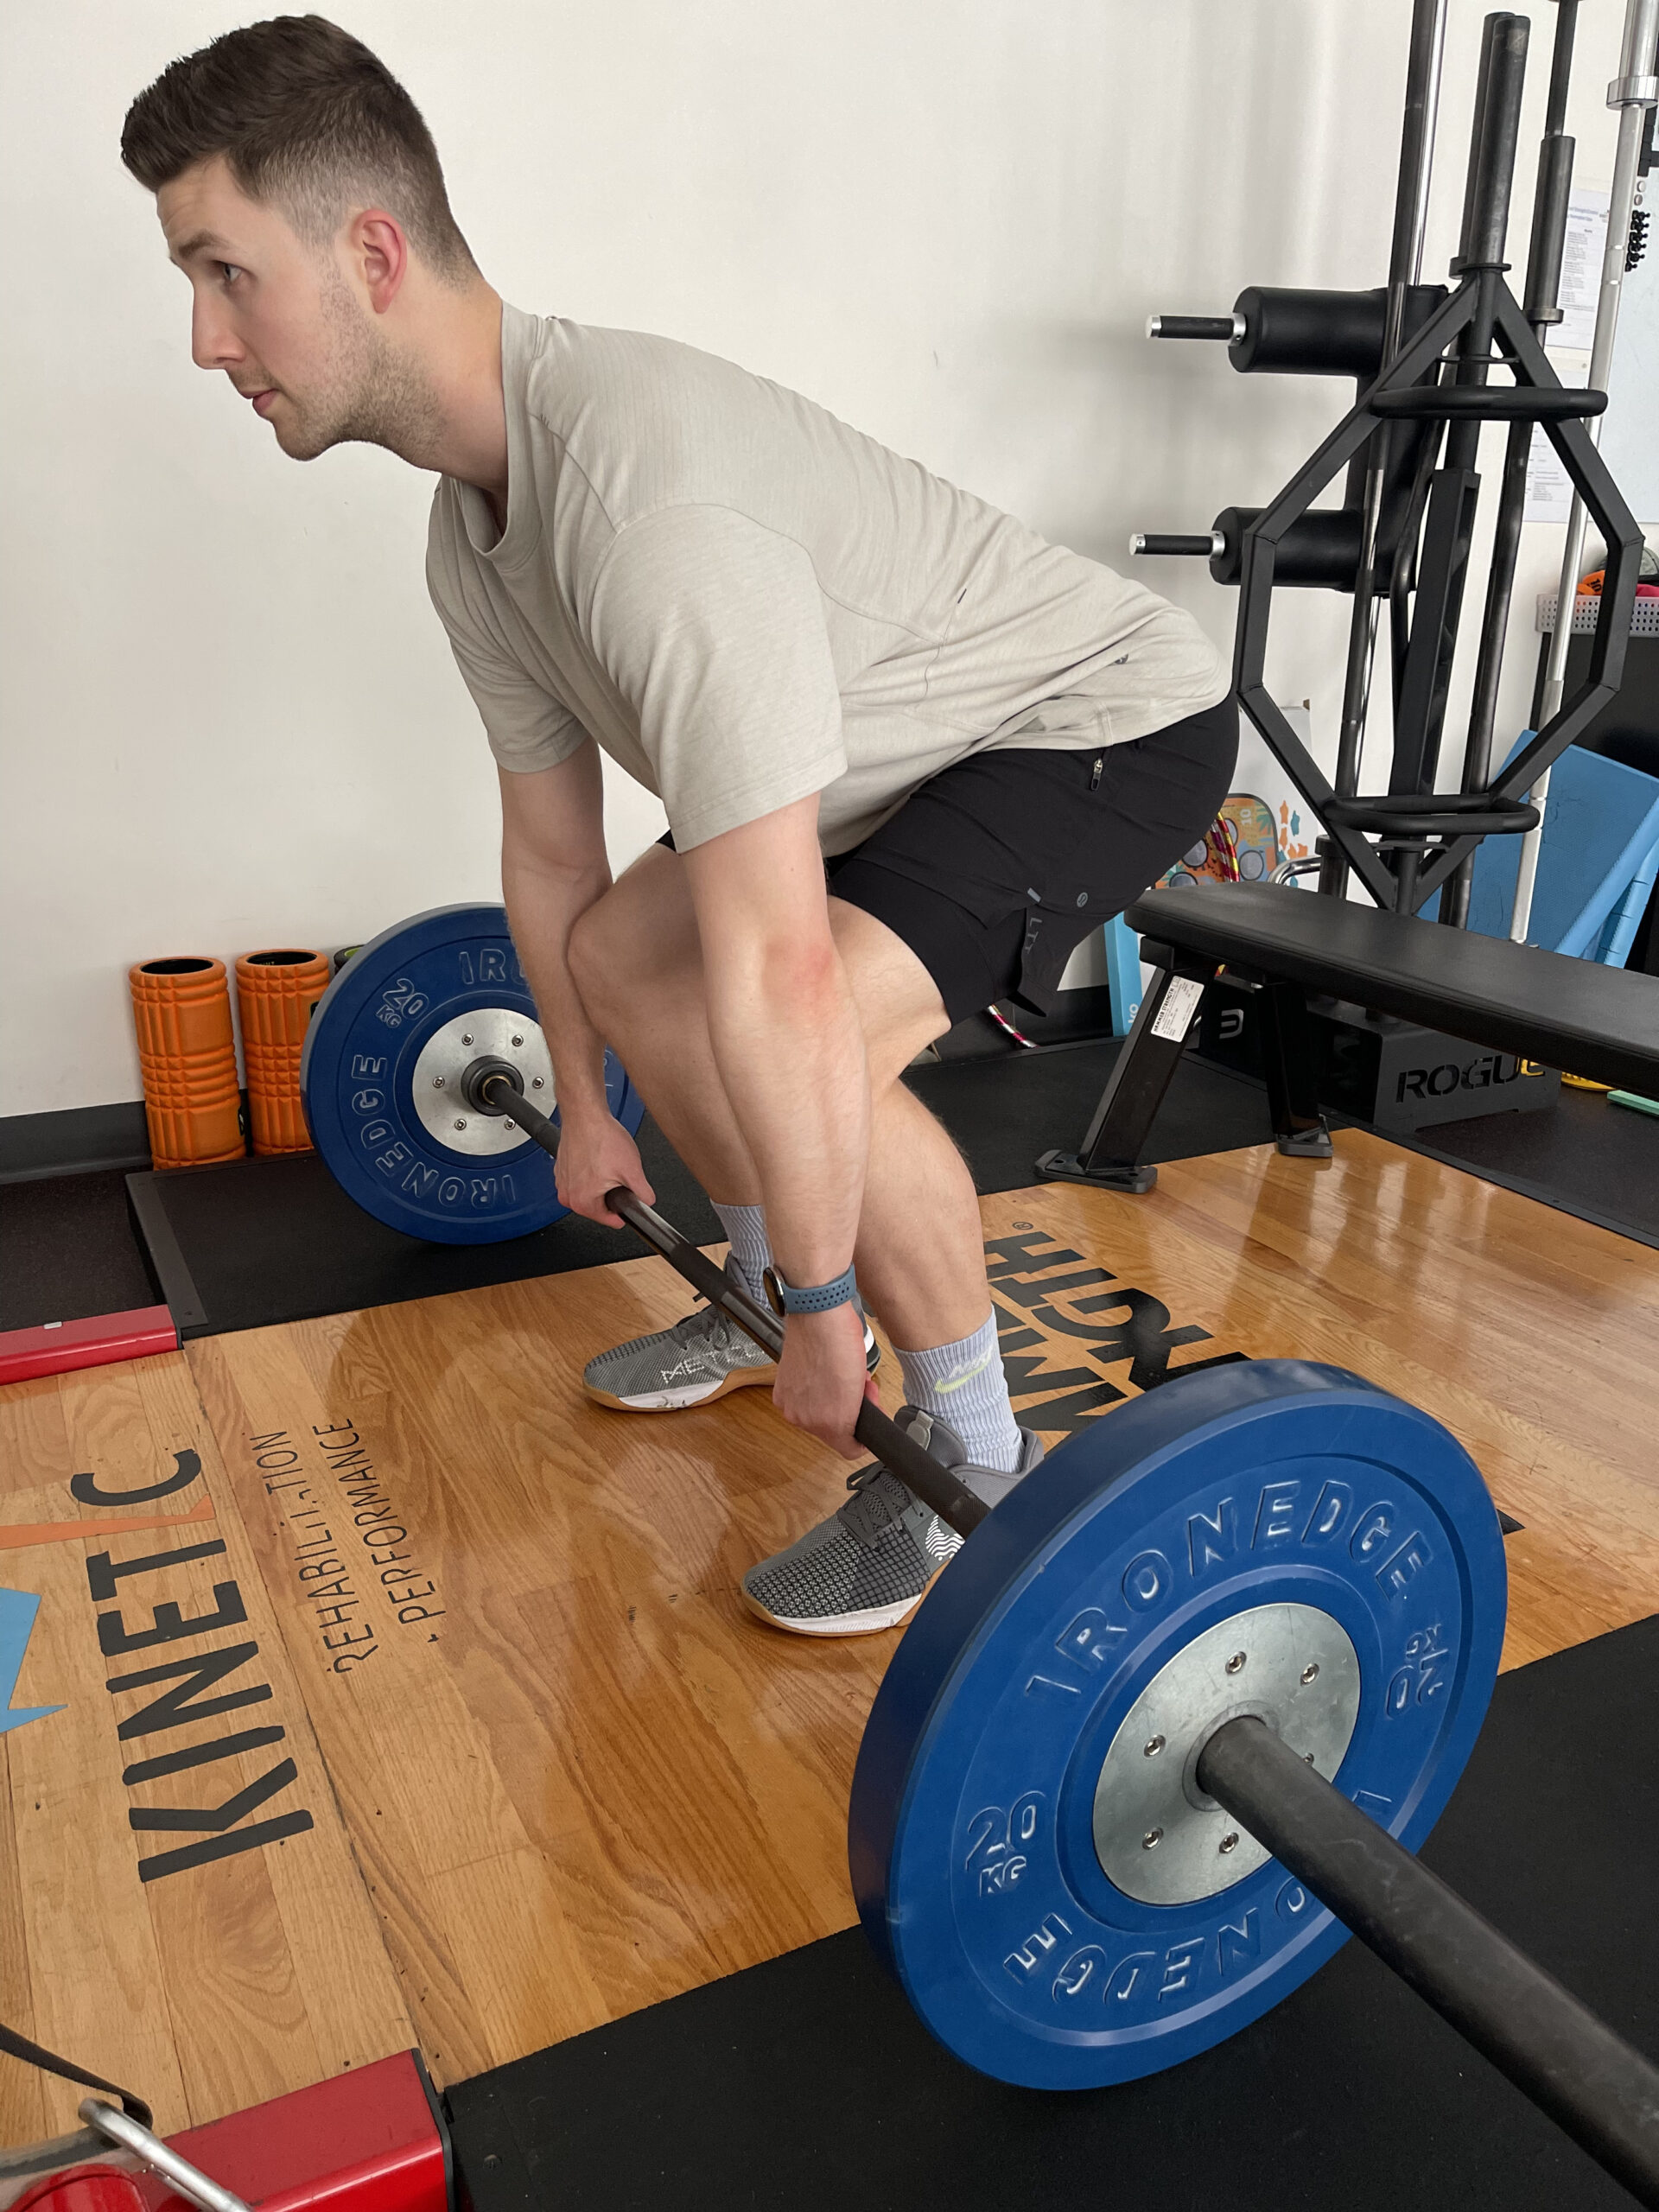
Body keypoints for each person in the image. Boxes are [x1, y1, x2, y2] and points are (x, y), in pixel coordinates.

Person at [123, 16, 1236, 1636]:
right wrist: (585, 1107)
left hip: (1085, 722)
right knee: (632, 966)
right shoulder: (475, 528)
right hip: (877, 743)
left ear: (369, 252)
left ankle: (978, 1459)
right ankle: (752, 1291)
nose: (207, 341)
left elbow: (783, 976)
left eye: (225, 273)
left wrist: (833, 1302)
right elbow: (556, 867)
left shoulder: (649, 513)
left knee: (819, 1047)